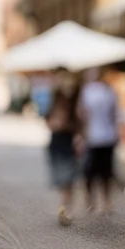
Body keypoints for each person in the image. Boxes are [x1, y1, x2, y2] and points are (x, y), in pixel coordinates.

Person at [77, 67, 119, 214]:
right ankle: (106, 202)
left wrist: (81, 134)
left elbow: (82, 114)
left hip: (93, 137)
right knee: (106, 172)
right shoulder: (109, 91)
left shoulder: (87, 91)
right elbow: (114, 114)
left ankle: (90, 201)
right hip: (108, 136)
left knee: (90, 172)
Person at [44, 74, 80, 226]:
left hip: (67, 144)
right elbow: (49, 123)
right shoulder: (54, 107)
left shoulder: (74, 107)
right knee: (63, 179)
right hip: (58, 145)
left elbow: (77, 125)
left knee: (68, 179)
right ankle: (64, 206)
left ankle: (64, 207)